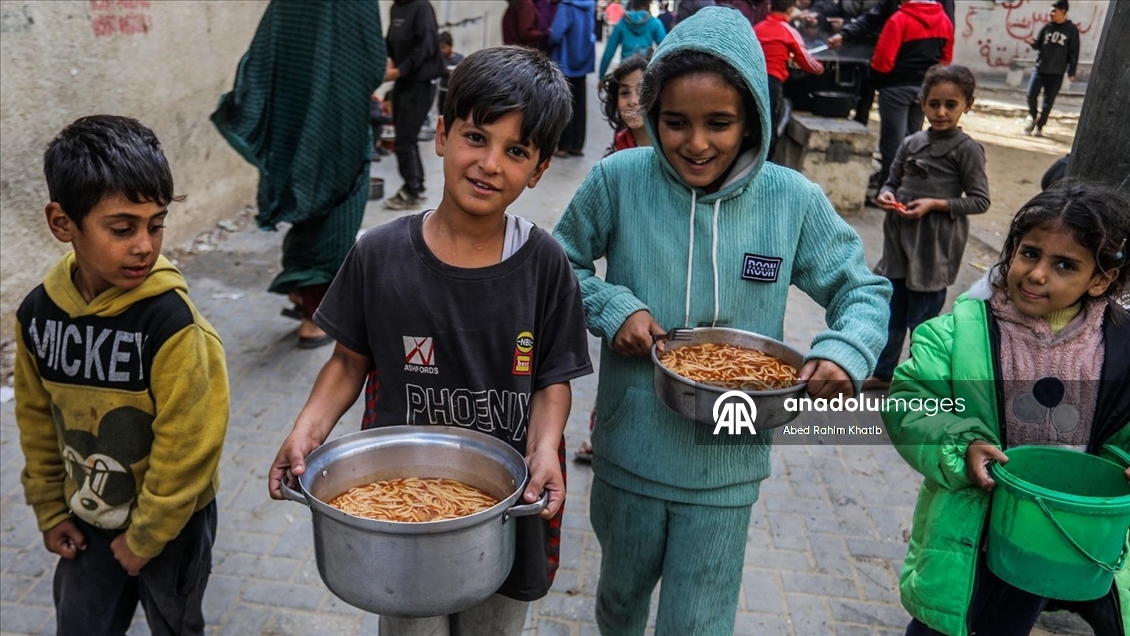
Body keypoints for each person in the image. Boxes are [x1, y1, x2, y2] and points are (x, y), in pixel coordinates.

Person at [552, 8, 892, 633]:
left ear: (753, 121)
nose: (697, 143)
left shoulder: (791, 200)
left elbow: (863, 290)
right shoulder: (618, 180)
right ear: (651, 115)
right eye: (675, 123)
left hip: (729, 462)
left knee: (699, 620)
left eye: (720, 123)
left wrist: (845, 351)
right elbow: (558, 267)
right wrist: (612, 307)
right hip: (630, 450)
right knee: (620, 603)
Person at [267, 46, 593, 635]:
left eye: (516, 151)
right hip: (400, 509)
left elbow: (552, 379)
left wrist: (545, 448)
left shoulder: (546, 265)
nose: (490, 163)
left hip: (508, 501)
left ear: (539, 169)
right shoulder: (379, 253)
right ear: (441, 136)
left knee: (494, 625)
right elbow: (347, 362)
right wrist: (306, 432)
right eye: (476, 137)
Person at [884, 180, 1130, 636]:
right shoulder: (956, 333)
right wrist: (961, 445)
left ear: (1100, 280)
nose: (1037, 274)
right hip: (966, 529)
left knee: (1009, 624)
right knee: (942, 622)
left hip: (1050, 536)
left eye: (1064, 265)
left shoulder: (1119, 348)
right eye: (1030, 253)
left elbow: (1124, 435)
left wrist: (1123, 466)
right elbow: (909, 403)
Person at [14, 115, 229, 636]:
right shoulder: (38, 316)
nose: (144, 245)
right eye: (122, 228)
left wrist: (146, 537)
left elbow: (190, 445)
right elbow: (36, 421)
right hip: (87, 513)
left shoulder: (173, 325)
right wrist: (49, 508)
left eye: (155, 225)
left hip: (172, 523)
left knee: (176, 624)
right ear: (63, 223)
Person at [211, 1, 386, 348]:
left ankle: (298, 292)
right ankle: (314, 318)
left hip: (295, 125)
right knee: (338, 219)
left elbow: (263, 55)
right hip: (340, 127)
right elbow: (372, 63)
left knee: (305, 209)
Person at [864, 65, 990, 392]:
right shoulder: (910, 143)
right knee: (891, 316)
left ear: (968, 105)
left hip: (934, 248)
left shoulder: (967, 150)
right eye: (934, 104)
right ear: (922, 103)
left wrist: (935, 204)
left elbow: (979, 201)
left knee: (922, 323)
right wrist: (886, 196)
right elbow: (889, 182)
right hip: (898, 243)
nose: (941, 112)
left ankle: (918, 381)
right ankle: (883, 372)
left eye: (951, 104)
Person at [574, 53, 654, 464]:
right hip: (627, 292)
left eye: (642, 90)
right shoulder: (612, 161)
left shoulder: (675, 149)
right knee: (620, 375)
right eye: (625, 92)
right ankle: (599, 434)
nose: (632, 100)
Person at [869, 0, 953, 190]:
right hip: (924, 90)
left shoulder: (899, 20)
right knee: (914, 141)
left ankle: (887, 189)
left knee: (893, 142)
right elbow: (946, 58)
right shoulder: (944, 21)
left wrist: (874, 80)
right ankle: (906, 188)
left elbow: (883, 60)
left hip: (896, 88)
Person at [383, 0, 446, 211]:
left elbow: (426, 46)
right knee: (404, 138)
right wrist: (388, 61)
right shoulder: (396, 8)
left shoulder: (421, 7)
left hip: (420, 81)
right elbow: (391, 41)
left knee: (405, 140)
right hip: (404, 79)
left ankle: (412, 191)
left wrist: (399, 70)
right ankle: (415, 185)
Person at [754, 0, 824, 158]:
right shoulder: (788, 31)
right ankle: (766, 164)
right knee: (769, 126)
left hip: (752, 80)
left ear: (770, 7)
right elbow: (806, 61)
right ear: (791, 9)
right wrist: (820, 68)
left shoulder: (757, 28)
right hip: (772, 83)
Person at [548, 0, 597, 158]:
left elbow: (556, 34)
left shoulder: (566, 6)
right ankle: (577, 145)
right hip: (582, 61)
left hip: (565, 61)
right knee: (580, 105)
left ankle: (563, 146)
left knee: (564, 102)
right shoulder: (589, 5)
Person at [1024, 0, 1079, 138]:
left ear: (1063, 12)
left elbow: (1073, 52)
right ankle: (1033, 116)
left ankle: (1039, 127)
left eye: (1054, 11)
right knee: (1031, 94)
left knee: (1048, 102)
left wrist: (1071, 71)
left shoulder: (1071, 30)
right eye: (1051, 11)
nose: (1051, 14)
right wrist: (1033, 43)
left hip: (1056, 72)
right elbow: (1039, 45)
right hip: (1040, 68)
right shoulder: (1047, 27)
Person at [597, 0, 666, 79]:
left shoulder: (622, 22)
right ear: (648, 4)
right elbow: (665, 48)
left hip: (625, 69)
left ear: (632, 4)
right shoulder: (654, 23)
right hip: (645, 70)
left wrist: (602, 75)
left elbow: (609, 50)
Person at [436, 31, 464, 117]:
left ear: (450, 46)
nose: (442, 50)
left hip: (455, 92)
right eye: (440, 48)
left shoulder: (459, 58)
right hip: (443, 90)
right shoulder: (440, 59)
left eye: (444, 47)